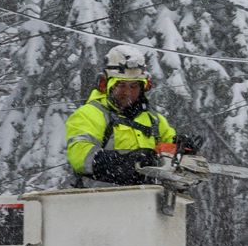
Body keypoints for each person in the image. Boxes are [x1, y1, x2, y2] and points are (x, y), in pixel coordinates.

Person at [64, 44, 197, 186]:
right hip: (100, 200)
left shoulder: (154, 120)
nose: (127, 92)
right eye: (121, 85)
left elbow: (168, 149)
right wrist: (124, 162)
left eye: (133, 86)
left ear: (143, 87)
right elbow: (80, 156)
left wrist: (181, 149)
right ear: (106, 85)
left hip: (148, 201)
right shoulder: (89, 114)